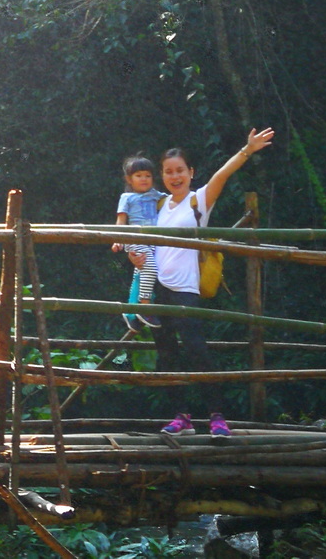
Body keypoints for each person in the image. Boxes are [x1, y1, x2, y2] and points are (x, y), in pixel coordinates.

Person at [152, 127, 274, 439]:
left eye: (180, 170)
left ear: (191, 172)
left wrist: (247, 150)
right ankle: (181, 416)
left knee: (197, 351)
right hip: (160, 288)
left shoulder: (198, 201)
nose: (175, 176)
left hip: (187, 290)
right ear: (162, 175)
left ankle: (217, 416)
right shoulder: (159, 205)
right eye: (168, 172)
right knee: (167, 355)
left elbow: (222, 174)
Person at [112, 156, 166, 330]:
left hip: (152, 240)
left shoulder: (157, 196)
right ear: (129, 179)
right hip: (135, 238)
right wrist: (117, 239)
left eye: (147, 175)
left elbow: (174, 201)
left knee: (139, 274)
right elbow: (121, 220)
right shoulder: (127, 197)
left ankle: (130, 313)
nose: (144, 179)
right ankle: (145, 307)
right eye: (139, 175)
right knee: (150, 268)